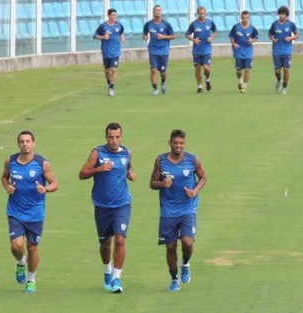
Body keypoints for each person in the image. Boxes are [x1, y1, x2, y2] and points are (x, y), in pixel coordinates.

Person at [79, 122, 137, 293]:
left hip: (122, 204)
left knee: (120, 239)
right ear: (106, 137)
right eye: (111, 137)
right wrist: (99, 169)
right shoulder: (97, 153)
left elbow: (129, 168)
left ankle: (117, 278)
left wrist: (131, 174)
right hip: (102, 206)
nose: (114, 140)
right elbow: (82, 174)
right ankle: (107, 270)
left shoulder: (127, 153)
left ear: (121, 137)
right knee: (105, 244)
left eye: (117, 137)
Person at [149, 130, 207, 292]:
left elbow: (203, 177)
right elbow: (152, 183)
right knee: (170, 246)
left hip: (188, 208)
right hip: (168, 211)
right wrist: (162, 184)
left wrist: (194, 191)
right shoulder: (161, 161)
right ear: (170, 143)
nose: (178, 146)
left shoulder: (193, 160)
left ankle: (185, 263)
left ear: (184, 144)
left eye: (181, 143)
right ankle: (174, 279)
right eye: (175, 143)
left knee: (188, 243)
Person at [1, 131, 58, 293]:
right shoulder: (10, 161)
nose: (25, 144)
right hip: (15, 211)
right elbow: (4, 178)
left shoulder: (42, 164)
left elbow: (55, 183)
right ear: (18, 144)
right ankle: (20, 262)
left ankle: (31, 280)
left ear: (34, 144)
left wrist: (45, 188)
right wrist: (8, 187)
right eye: (22, 141)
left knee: (32, 247)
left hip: (35, 213)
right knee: (17, 246)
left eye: (28, 141)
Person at [143, 5, 176, 96]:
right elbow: (144, 34)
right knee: (153, 70)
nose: (158, 12)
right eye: (156, 10)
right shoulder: (148, 24)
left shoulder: (166, 24)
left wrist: (164, 37)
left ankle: (163, 82)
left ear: (161, 12)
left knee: (163, 72)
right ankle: (155, 89)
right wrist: (145, 37)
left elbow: (173, 36)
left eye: (159, 10)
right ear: (153, 12)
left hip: (163, 51)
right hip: (153, 50)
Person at [94, 8, 125, 97]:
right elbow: (95, 36)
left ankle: (111, 88)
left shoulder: (119, 25)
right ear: (109, 16)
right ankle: (109, 83)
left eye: (116, 15)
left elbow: (121, 32)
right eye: (113, 15)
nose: (115, 17)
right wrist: (103, 37)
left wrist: (122, 37)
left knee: (114, 69)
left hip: (116, 51)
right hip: (106, 51)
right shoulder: (103, 26)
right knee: (107, 71)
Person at [186, 6, 217, 93]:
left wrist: (211, 37)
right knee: (198, 68)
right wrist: (193, 39)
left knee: (206, 68)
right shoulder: (194, 24)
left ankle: (207, 79)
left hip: (206, 50)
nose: (202, 15)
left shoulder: (210, 23)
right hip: (197, 50)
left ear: (206, 13)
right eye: (200, 13)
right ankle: (199, 87)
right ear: (198, 14)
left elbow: (215, 31)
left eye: (203, 13)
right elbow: (187, 34)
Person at [268, 6, 298, 95]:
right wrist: (273, 39)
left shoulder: (291, 24)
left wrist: (291, 38)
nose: (281, 16)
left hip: (287, 51)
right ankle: (279, 80)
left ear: (286, 15)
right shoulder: (274, 24)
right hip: (276, 50)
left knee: (286, 69)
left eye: (283, 14)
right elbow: (270, 34)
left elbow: (297, 35)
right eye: (280, 14)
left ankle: (284, 87)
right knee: (277, 70)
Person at [229, 10, 259, 93]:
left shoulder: (252, 28)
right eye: (243, 18)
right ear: (241, 18)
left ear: (248, 18)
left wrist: (252, 40)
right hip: (238, 51)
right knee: (239, 71)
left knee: (247, 69)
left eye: (246, 18)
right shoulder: (236, 27)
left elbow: (256, 37)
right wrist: (234, 43)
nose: (245, 19)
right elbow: (231, 37)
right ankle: (240, 80)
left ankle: (244, 86)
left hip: (248, 51)